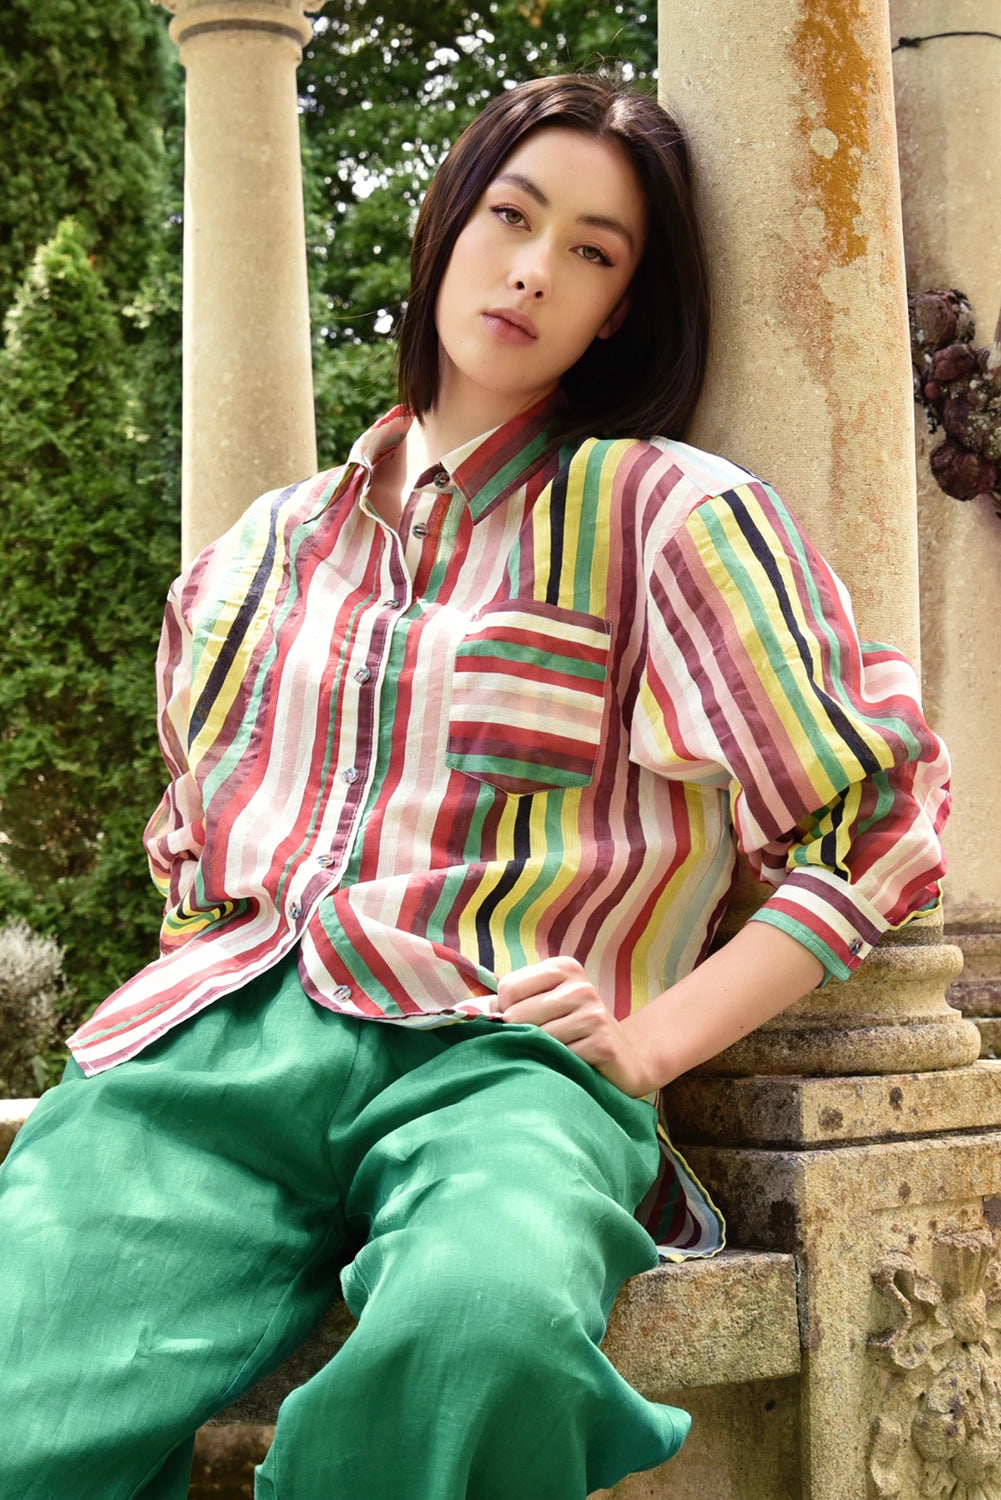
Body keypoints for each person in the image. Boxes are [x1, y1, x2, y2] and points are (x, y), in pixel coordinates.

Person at [0, 72, 948, 1500]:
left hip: (498, 1064)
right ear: (447, 224)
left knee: (483, 1330)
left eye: (591, 249)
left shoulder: (663, 514)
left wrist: (642, 1045)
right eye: (510, 215)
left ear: (621, 305)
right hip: (211, 1060)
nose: (531, 270)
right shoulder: (260, 555)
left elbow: (876, 821)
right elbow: (195, 851)